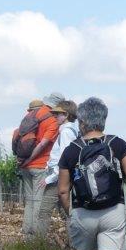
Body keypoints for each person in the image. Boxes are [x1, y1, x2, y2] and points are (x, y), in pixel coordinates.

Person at [57, 97, 126, 250]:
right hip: (113, 212)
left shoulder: (72, 150)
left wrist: (72, 214)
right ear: (103, 120)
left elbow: (63, 191)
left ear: (82, 122)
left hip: (83, 213)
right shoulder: (118, 144)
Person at [18, 91, 63, 236]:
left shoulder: (32, 114)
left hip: (25, 167)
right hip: (40, 165)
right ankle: (36, 241)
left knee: (29, 202)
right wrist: (31, 159)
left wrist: (24, 161)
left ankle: (27, 235)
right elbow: (43, 144)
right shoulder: (52, 120)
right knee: (38, 202)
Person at [34, 99, 78, 238]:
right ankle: (75, 248)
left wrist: (50, 178)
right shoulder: (72, 130)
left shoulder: (66, 132)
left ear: (66, 115)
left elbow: (65, 159)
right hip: (62, 178)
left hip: (58, 179)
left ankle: (37, 246)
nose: (54, 116)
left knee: (44, 213)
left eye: (57, 114)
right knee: (67, 213)